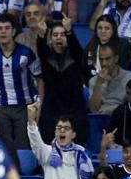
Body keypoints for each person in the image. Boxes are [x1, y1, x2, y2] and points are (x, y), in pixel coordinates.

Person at [0, 13, 44, 151]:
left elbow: (39, 79)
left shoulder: (26, 53)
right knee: (3, 147)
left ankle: (24, 172)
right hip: (0, 107)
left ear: (14, 31)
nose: (3, 31)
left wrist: (40, 102)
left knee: (24, 146)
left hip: (24, 107)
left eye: (7, 28)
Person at [27, 105, 94, 179]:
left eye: (66, 128)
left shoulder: (81, 155)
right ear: (55, 132)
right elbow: (35, 142)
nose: (62, 131)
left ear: (73, 134)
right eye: (59, 128)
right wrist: (31, 121)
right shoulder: (47, 152)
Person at [36, 17, 90, 146]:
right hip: (51, 108)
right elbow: (41, 49)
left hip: (74, 108)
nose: (59, 38)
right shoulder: (47, 57)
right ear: (51, 39)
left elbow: (77, 49)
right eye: (55, 35)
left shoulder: (75, 57)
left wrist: (70, 31)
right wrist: (41, 35)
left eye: (62, 34)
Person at [82, 14, 131, 86]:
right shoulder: (90, 46)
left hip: (117, 86)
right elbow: (84, 70)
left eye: (107, 28)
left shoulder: (122, 45)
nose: (103, 31)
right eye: (100, 28)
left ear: (113, 30)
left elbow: (125, 69)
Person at [89, 44, 131, 114]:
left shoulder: (129, 77)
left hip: (121, 118)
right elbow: (94, 110)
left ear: (116, 58)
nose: (104, 63)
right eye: (101, 59)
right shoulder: (94, 81)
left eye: (107, 59)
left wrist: (113, 109)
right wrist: (98, 84)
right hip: (101, 119)